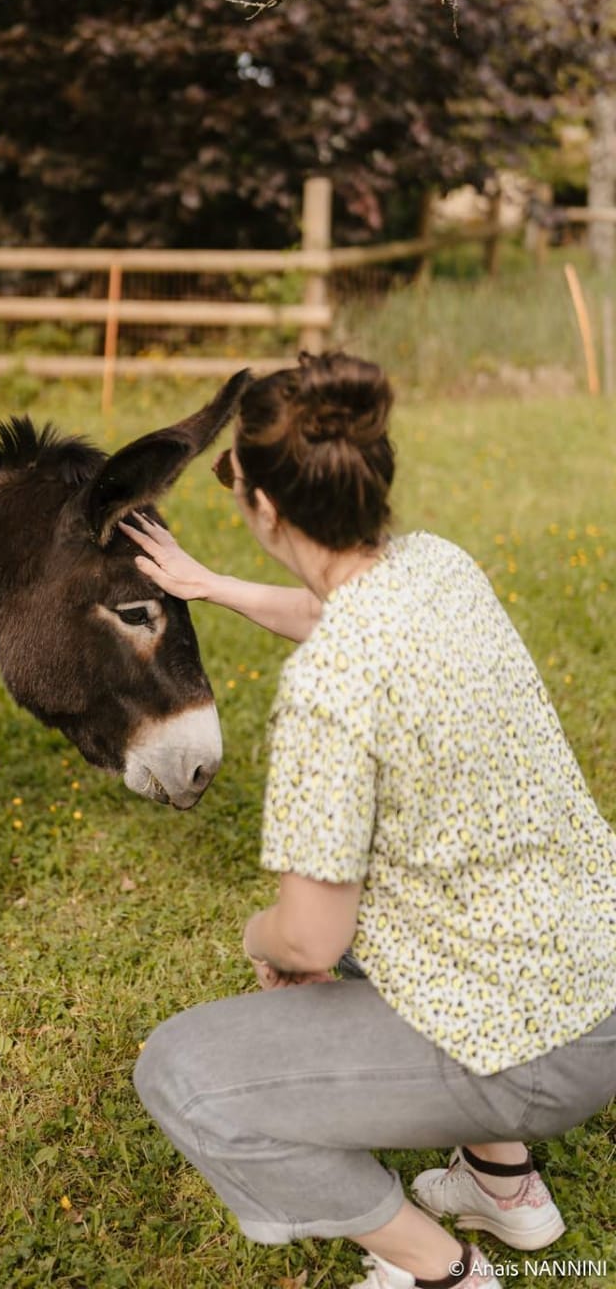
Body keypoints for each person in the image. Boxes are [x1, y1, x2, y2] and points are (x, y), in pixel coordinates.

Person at [120, 352, 616, 1289]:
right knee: (375, 919)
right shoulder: (437, 568)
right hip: (595, 972)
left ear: (264, 507)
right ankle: (504, 1188)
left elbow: (310, 935)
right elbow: (329, 608)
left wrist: (262, 938)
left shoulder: (331, 695)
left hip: (534, 1044)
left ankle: (444, 1273)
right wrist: (212, 586)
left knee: (182, 1073)